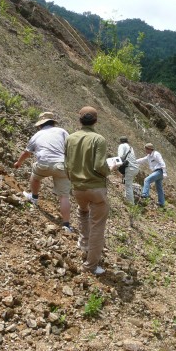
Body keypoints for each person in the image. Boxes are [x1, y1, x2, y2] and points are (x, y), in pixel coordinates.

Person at [64, 106, 110, 276]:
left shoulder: (70, 138)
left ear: (79, 120)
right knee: (98, 226)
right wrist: (110, 169)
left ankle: (83, 243)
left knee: (83, 211)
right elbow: (99, 165)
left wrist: (73, 179)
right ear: (96, 121)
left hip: (77, 188)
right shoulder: (99, 139)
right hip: (96, 188)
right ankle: (90, 266)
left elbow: (66, 164)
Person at [14, 111, 72, 231]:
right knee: (64, 197)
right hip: (62, 165)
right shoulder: (62, 131)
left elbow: (27, 153)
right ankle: (66, 225)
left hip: (44, 164)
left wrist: (18, 163)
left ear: (40, 124)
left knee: (35, 176)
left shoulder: (37, 135)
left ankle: (34, 198)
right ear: (53, 123)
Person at [136, 143, 167, 207]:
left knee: (147, 180)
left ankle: (145, 194)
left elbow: (162, 162)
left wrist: (164, 172)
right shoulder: (149, 156)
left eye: (146, 149)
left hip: (159, 171)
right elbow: (142, 160)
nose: (145, 151)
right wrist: (134, 161)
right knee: (159, 187)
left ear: (149, 149)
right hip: (156, 172)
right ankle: (161, 202)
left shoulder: (156, 154)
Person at [117, 136, 139, 204]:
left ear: (121, 142)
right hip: (135, 168)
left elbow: (120, 157)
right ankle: (127, 199)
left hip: (130, 167)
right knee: (128, 184)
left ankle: (131, 204)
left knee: (128, 185)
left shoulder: (121, 146)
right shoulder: (130, 148)